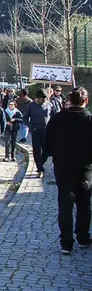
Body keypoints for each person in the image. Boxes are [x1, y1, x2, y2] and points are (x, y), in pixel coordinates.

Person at [45, 88, 92, 254]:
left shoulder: (57, 119)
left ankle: (66, 242)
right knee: (84, 203)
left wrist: (54, 156)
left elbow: (47, 141)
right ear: (86, 101)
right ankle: (83, 237)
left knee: (64, 204)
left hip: (63, 167)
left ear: (69, 100)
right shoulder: (89, 119)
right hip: (84, 168)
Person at [26, 90, 52, 178]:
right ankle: (40, 169)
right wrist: (30, 126)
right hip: (36, 131)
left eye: (45, 99)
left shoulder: (49, 105)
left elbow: (54, 117)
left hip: (46, 131)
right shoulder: (31, 105)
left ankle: (41, 162)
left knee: (47, 150)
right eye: (42, 99)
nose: (44, 100)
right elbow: (25, 118)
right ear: (38, 98)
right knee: (36, 151)